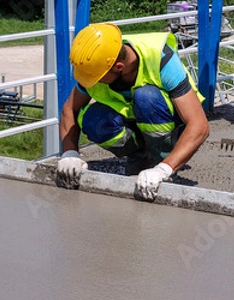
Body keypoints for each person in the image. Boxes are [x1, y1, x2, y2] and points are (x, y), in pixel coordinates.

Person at [57, 22, 209, 200]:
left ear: (118, 67)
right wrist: (70, 153)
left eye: (95, 78)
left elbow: (199, 126)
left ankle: (161, 165)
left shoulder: (161, 60)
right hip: (135, 121)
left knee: (146, 98)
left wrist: (164, 169)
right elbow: (70, 108)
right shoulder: (99, 64)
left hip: (170, 124)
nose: (91, 82)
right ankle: (138, 160)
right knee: (93, 119)